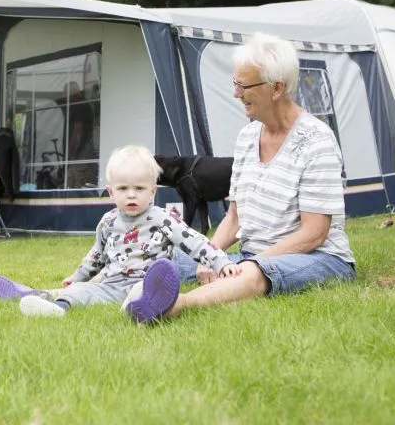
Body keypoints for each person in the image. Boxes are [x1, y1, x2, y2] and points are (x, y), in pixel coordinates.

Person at [126, 33, 356, 324]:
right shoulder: (247, 137)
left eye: (243, 85)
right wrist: (210, 255)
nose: (236, 93)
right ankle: (73, 291)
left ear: (277, 88)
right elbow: (235, 218)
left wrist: (250, 262)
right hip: (251, 255)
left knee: (253, 273)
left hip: (317, 258)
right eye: (235, 83)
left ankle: (173, 306)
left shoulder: (317, 141)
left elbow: (314, 234)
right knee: (164, 255)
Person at [0, 145, 241, 317]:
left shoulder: (164, 219)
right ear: (111, 191)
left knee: (142, 292)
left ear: (153, 190)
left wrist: (221, 262)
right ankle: (56, 308)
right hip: (111, 284)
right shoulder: (107, 222)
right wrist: (77, 277)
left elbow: (196, 242)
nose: (131, 195)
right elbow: (96, 256)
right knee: (80, 293)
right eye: (123, 189)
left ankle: (139, 308)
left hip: (144, 281)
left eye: (139, 189)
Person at [59, 81, 97, 188]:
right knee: (73, 181)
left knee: (80, 182)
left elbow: (77, 132)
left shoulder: (79, 106)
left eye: (66, 93)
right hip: (79, 154)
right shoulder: (79, 105)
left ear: (73, 92)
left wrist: (69, 154)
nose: (64, 96)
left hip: (81, 154)